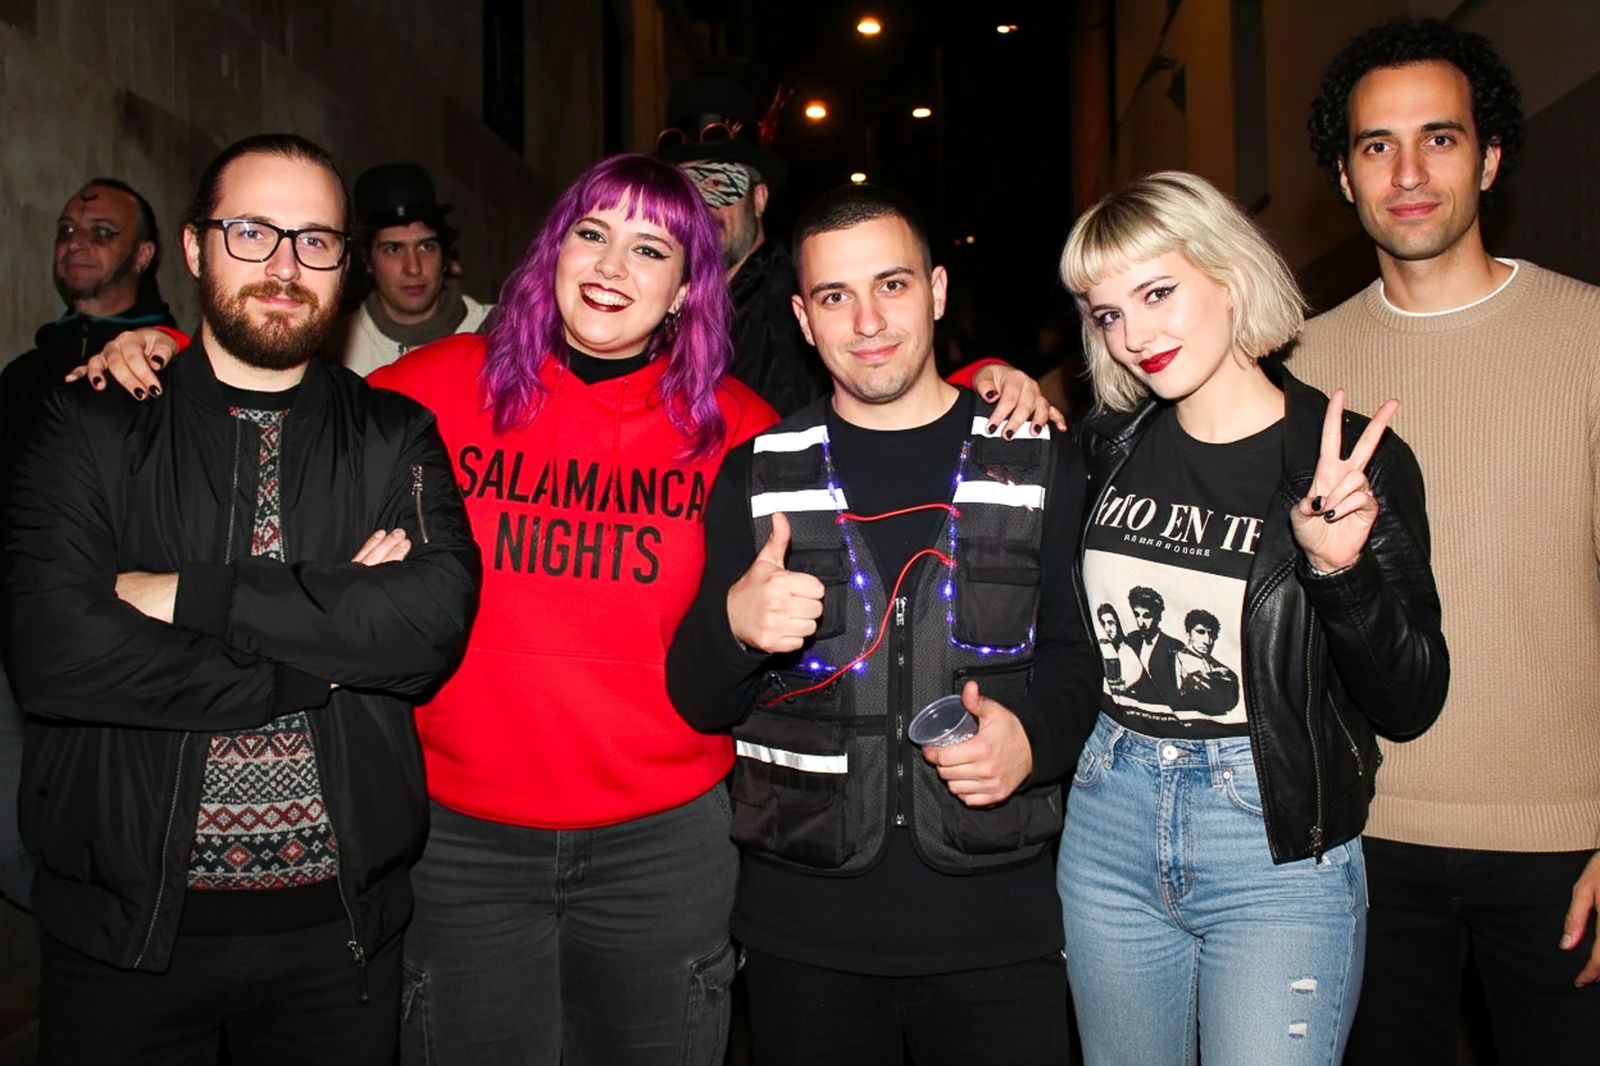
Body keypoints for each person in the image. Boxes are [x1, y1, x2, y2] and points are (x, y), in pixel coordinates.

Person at [1, 132, 480, 1066]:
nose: (283, 265)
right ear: (192, 248)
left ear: (344, 263)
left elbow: (427, 627)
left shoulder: (392, 432)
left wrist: (188, 595)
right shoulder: (89, 418)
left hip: (340, 935)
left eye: (314, 240)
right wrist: (318, 661)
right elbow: (56, 653)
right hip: (123, 938)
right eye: (252, 232)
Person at [666, 183, 1099, 1065]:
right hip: (804, 938)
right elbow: (699, 699)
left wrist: (1034, 741)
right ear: (802, 317)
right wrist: (734, 630)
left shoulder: (1042, 456)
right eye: (835, 296)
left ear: (938, 291)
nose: (867, 320)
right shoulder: (755, 472)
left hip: (1002, 930)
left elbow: (1080, 659)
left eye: (892, 285)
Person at [1056, 170, 1449, 1065]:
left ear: (1230, 277)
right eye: (1106, 313)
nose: (1133, 335)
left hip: (1272, 841)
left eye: (1157, 293)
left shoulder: (1344, 464)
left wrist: (1337, 572)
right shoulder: (1104, 446)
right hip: (1108, 813)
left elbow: (1412, 698)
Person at [1291, 18, 1600, 1062]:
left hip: (1566, 845)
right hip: (1361, 846)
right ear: (1343, 175)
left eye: (1440, 137)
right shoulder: (1297, 363)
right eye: (1376, 145)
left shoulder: (1589, 338)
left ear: (1492, 155)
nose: (1408, 171)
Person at [655, 77, 829, 416]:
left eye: (720, 183)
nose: (705, 207)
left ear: (759, 199)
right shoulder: (661, 302)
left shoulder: (795, 313)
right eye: (689, 189)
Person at [0, 178, 175, 467]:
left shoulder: (167, 367)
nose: (75, 244)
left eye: (102, 233)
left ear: (142, 256)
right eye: (66, 230)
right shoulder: (22, 373)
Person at [335, 162, 494, 376]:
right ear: (367, 261)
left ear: (445, 255)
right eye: (393, 249)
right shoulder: (335, 351)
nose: (413, 268)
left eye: (426, 246)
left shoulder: (497, 333)